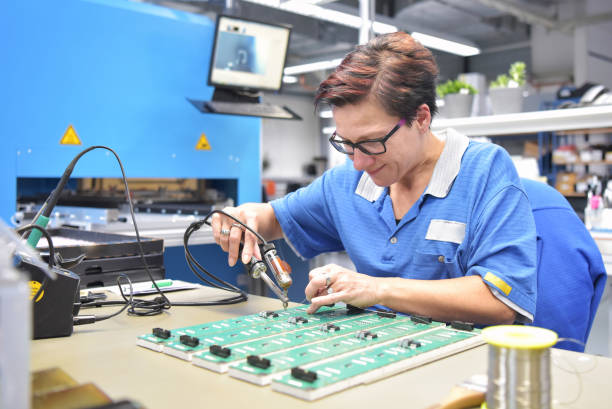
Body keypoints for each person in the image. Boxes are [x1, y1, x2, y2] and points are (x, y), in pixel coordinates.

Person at [211, 32, 537, 325]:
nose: (359, 162)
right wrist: (244, 218)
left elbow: (500, 299)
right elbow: (271, 219)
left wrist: (377, 289)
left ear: (421, 118)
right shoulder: (347, 183)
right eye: (347, 144)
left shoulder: (484, 172)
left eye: (371, 143)